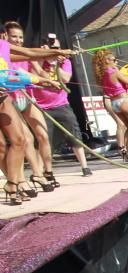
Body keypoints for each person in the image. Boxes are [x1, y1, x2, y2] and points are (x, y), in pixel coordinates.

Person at [0, 27, 73, 204]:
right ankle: (17, 182)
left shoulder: (3, 47)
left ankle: (14, 183)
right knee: (2, 146)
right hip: (11, 97)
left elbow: (28, 54)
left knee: (20, 140)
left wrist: (56, 54)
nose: (14, 39)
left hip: (4, 98)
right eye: (12, 36)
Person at [29, 35, 91, 180]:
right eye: (52, 48)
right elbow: (34, 76)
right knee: (43, 139)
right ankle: (40, 171)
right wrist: (43, 61)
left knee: (74, 134)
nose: (55, 50)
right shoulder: (35, 61)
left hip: (62, 104)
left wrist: (53, 64)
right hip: (42, 107)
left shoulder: (64, 62)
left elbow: (66, 79)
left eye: (57, 48)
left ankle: (84, 166)